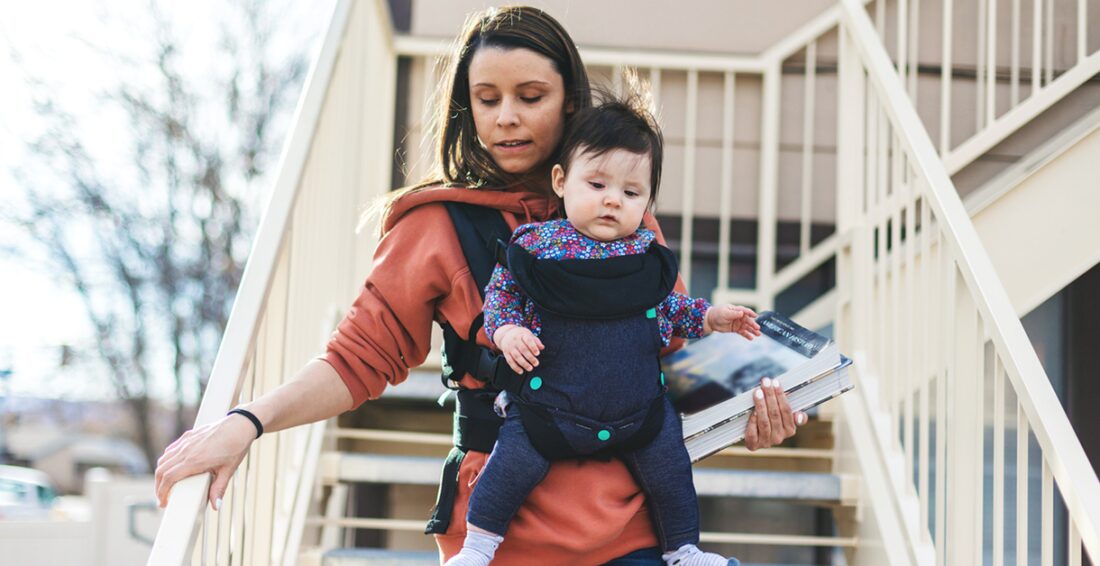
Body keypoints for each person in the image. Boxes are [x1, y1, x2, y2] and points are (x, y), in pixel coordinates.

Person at [153, 6, 806, 564]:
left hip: (632, 528)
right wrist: (248, 421)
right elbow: (358, 358)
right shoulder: (435, 223)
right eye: (487, 99)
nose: (506, 119)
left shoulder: (628, 223)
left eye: (530, 96)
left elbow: (668, 362)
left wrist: (749, 421)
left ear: (569, 101)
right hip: (502, 526)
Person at [447, 96, 759, 566]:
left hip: (638, 411)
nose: (613, 200)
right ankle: (477, 547)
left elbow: (669, 309)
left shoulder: (644, 254)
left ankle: (682, 549)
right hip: (548, 409)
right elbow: (501, 299)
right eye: (597, 184)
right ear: (561, 181)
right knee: (510, 465)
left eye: (632, 193)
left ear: (647, 202)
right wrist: (508, 333)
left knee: (670, 468)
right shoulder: (537, 247)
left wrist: (711, 318)